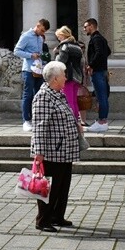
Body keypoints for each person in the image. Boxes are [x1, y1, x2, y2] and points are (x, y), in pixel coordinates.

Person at [29, 61, 81, 231]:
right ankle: (43, 220)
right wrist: (39, 152)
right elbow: (39, 126)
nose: (66, 78)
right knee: (49, 187)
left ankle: (57, 216)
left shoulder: (59, 93)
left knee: (63, 186)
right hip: (52, 151)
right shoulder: (44, 96)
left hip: (65, 151)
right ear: (56, 78)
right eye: (64, 75)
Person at [14, 18, 50, 132]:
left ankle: (37, 118)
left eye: (44, 32)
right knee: (27, 94)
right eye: (42, 30)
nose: (43, 33)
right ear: (38, 26)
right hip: (28, 70)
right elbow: (16, 51)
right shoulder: (26, 36)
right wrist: (30, 55)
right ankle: (26, 120)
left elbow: (39, 53)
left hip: (38, 69)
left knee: (38, 95)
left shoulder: (40, 38)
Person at [83, 18, 112, 132]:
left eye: (85, 27)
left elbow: (100, 53)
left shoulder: (96, 39)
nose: (84, 29)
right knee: (102, 96)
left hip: (98, 72)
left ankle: (102, 121)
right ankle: (102, 121)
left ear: (91, 26)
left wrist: (91, 65)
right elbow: (107, 52)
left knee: (101, 97)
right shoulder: (101, 38)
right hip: (102, 71)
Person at [52, 27, 84, 120]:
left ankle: (71, 121)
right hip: (77, 76)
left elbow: (61, 61)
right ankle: (76, 120)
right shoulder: (77, 46)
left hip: (68, 76)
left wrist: (56, 53)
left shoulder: (65, 46)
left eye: (58, 36)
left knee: (68, 100)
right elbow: (81, 61)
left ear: (63, 35)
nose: (58, 38)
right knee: (74, 100)